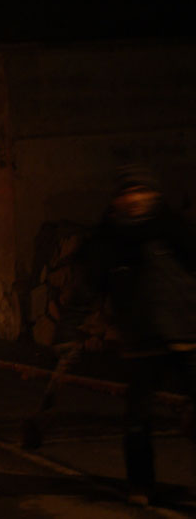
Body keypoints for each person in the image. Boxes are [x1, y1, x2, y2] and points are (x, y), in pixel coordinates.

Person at [79, 165, 196, 506]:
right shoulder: (106, 243)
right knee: (137, 421)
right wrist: (73, 333)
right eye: (127, 192)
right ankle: (141, 486)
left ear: (154, 195)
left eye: (141, 191)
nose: (135, 198)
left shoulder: (176, 233)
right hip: (141, 342)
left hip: (188, 335)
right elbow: (86, 291)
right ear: (116, 200)